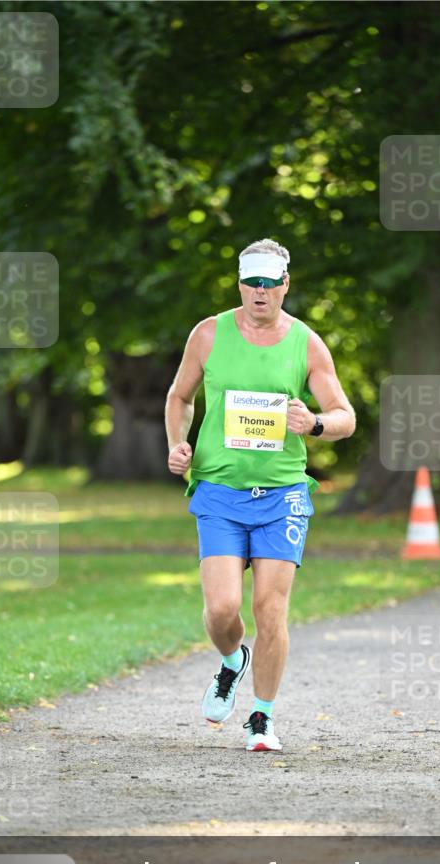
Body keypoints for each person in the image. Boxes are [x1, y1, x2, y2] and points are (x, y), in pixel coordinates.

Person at [165, 238, 355, 751]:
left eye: (271, 283)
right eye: (253, 282)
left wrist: (313, 423)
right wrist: (177, 443)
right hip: (220, 490)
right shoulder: (209, 334)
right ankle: (231, 661)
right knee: (223, 610)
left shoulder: (306, 343)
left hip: (281, 495)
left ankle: (262, 717)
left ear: (286, 285)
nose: (261, 292)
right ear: (240, 283)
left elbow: (345, 415)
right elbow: (180, 397)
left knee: (271, 609)